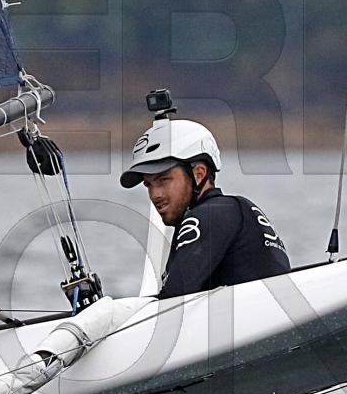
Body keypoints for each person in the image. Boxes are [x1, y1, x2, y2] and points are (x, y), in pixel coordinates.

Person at [121, 113, 290, 299]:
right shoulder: (236, 211)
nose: (155, 195)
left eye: (164, 180)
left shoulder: (208, 215)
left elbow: (171, 302)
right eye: (148, 184)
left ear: (199, 174)